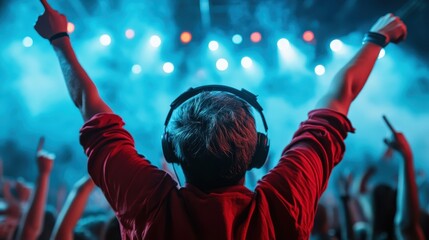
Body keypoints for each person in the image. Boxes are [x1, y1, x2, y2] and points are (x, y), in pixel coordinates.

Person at [34, 0, 407, 238]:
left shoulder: (147, 204)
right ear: (259, 152)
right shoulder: (283, 204)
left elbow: (90, 107)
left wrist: (60, 39)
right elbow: (339, 98)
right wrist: (375, 38)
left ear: (172, 151)